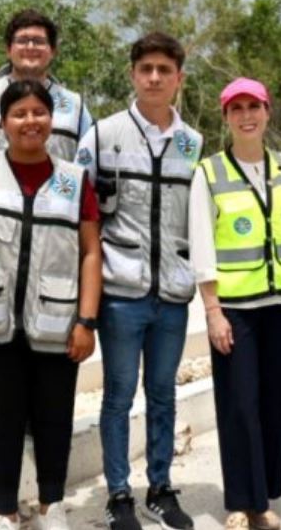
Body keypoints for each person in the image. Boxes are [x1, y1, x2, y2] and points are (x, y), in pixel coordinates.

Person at [0, 80, 102, 530]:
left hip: (57, 323)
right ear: (4, 123)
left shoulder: (74, 180)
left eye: (39, 113)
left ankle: (52, 506)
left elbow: (90, 251)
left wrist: (86, 320)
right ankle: (4, 510)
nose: (31, 121)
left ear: (51, 121)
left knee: (54, 420)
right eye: (20, 114)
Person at [74, 33, 203, 530]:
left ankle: (162, 488)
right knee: (119, 395)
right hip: (120, 293)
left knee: (164, 394)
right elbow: (79, 216)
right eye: (145, 68)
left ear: (178, 79)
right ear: (132, 74)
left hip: (172, 294)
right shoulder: (102, 137)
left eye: (163, 70)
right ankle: (119, 494)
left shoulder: (193, 144)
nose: (154, 78)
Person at [189, 78, 281, 530]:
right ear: (225, 117)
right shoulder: (210, 172)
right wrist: (213, 311)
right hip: (235, 309)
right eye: (236, 108)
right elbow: (202, 247)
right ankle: (244, 502)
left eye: (253, 106)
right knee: (239, 404)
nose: (246, 115)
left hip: (279, 305)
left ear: (267, 112)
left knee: (275, 402)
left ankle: (266, 493)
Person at [0, 9, 93, 179]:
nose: (30, 47)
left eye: (39, 41)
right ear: (8, 49)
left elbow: (88, 167)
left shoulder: (75, 106)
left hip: (56, 203)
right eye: (22, 41)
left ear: (53, 51)